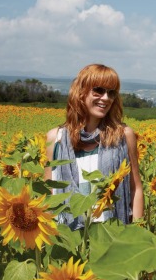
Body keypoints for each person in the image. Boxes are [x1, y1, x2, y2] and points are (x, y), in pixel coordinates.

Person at [44, 64, 144, 229]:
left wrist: (137, 235)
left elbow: (136, 190)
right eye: (98, 90)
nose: (106, 98)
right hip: (68, 238)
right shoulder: (56, 138)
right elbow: (49, 192)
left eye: (111, 93)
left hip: (112, 234)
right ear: (81, 93)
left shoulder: (123, 136)